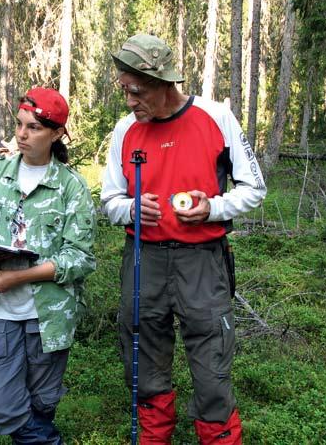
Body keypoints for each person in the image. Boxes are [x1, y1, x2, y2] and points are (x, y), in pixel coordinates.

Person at [101, 34, 266, 444]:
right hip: (144, 261)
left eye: (136, 92)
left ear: (164, 84)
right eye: (124, 91)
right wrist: (132, 210)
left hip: (203, 262)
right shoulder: (125, 131)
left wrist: (211, 207)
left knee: (212, 372)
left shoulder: (215, 117)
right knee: (145, 368)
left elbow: (254, 188)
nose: (129, 102)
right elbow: (109, 200)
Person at [0, 87, 96, 444]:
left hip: (49, 316)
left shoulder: (71, 188)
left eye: (34, 128)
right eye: (20, 125)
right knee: (3, 409)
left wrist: (20, 276)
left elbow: (80, 257)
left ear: (56, 134)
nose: (22, 135)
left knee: (41, 403)